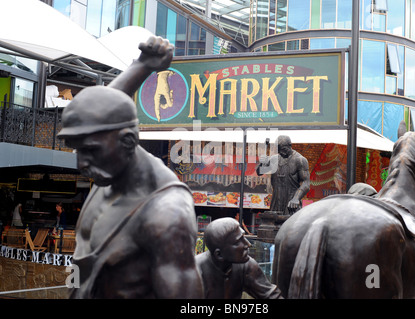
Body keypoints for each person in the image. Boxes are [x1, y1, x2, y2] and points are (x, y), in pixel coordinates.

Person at [57, 35, 203, 299]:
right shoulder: (110, 175)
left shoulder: (167, 217)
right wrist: (144, 65)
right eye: (77, 150)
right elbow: (105, 105)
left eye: (89, 150)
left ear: (127, 141)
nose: (81, 164)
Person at [196, 217, 282, 299]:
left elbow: (271, 295)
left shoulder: (246, 265)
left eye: (244, 237)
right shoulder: (196, 271)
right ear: (219, 255)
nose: (248, 244)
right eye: (238, 242)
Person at [256, 135, 310, 215]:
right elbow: (259, 172)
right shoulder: (274, 159)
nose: (281, 152)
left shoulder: (300, 160)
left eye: (284, 149)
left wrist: (296, 198)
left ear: (290, 145)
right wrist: (262, 164)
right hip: (276, 202)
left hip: (291, 204)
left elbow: (306, 183)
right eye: (279, 150)